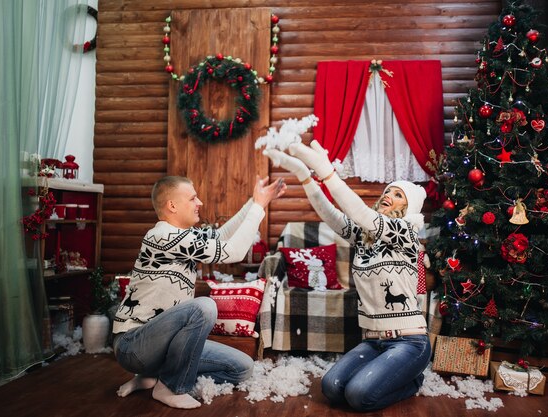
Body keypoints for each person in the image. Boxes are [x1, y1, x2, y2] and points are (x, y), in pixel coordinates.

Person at [263, 142, 430, 412]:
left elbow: (361, 213)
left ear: (409, 208)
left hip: (409, 342)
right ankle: (388, 374)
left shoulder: (406, 234)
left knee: (358, 395)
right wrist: (303, 174)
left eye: (398, 195)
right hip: (373, 340)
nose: (389, 195)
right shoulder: (365, 238)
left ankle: (413, 381)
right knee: (331, 387)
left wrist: (327, 173)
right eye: (388, 191)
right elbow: (331, 214)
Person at [112, 175, 285, 409]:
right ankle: (170, 387)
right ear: (172, 205)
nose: (199, 203)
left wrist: (253, 202)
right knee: (203, 307)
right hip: (133, 346)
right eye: (193, 198)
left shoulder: (184, 237)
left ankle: (154, 377)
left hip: (163, 345)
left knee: (242, 367)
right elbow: (233, 252)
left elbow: (221, 236)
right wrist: (258, 207)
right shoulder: (163, 235)